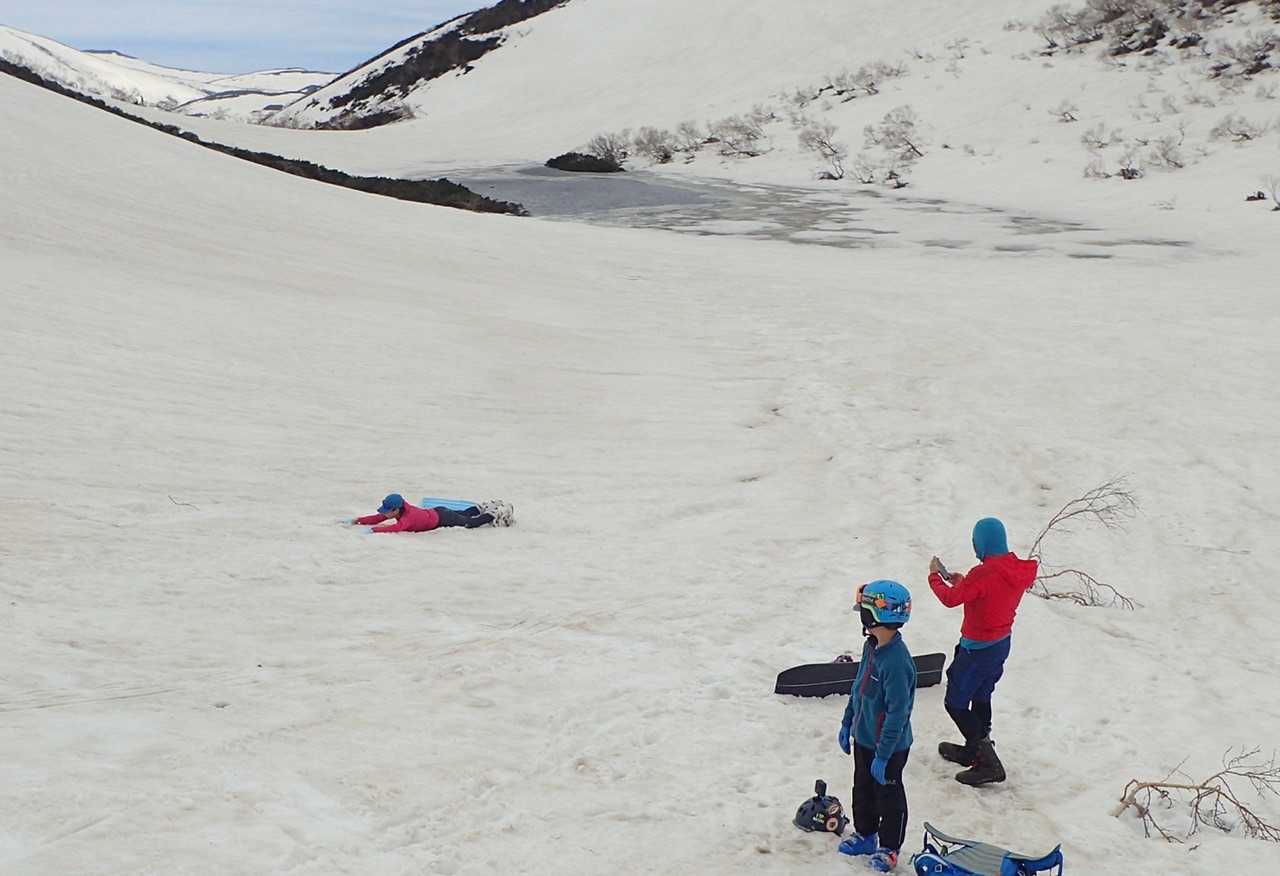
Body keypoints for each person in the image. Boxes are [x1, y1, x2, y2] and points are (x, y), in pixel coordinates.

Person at [928, 517, 1038, 786]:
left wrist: (934, 577)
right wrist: (963, 582)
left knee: (955, 702)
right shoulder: (1013, 569)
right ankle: (974, 751)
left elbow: (950, 599)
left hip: (976, 650)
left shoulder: (984, 573)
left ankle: (987, 761)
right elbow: (987, 593)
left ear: (981, 542)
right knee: (981, 695)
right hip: (999, 645)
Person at [836, 580, 916, 873]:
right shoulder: (871, 647)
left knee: (889, 796)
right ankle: (866, 834)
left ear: (873, 616)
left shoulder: (896, 662)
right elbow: (859, 689)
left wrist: (883, 755)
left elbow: (898, 713)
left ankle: (890, 847)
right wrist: (848, 722)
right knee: (863, 789)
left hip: (890, 747)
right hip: (865, 738)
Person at [350, 493, 504, 533]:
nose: (384, 514)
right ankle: (480, 507)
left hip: (443, 518)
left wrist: (374, 530)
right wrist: (357, 520)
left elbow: (396, 528)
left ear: (396, 509)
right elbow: (377, 518)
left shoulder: (408, 518)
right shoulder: (399, 510)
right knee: (464, 513)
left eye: (386, 511)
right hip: (438, 511)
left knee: (470, 523)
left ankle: (493, 513)